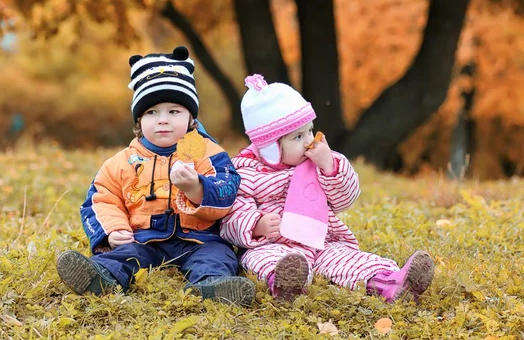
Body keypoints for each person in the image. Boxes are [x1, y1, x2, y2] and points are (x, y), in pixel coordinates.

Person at [57, 46, 255, 306]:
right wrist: (113, 231)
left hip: (200, 238)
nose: (163, 120)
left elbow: (227, 189)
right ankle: (101, 277)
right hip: (144, 239)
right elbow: (102, 198)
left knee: (217, 256)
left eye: (174, 111)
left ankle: (210, 286)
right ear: (139, 121)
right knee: (125, 254)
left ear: (190, 118)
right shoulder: (123, 161)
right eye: (152, 112)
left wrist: (197, 187)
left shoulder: (209, 153)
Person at [220, 74, 434, 302]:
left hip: (322, 241)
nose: (308, 141)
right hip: (275, 244)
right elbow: (232, 216)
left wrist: (330, 166)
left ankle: (390, 282)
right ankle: (285, 285)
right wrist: (256, 225)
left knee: (348, 260)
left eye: (309, 130)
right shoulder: (247, 172)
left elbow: (346, 199)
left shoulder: (319, 163)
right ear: (270, 148)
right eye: (298, 136)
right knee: (262, 259)